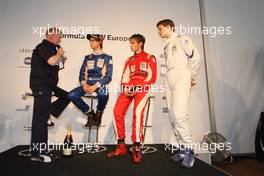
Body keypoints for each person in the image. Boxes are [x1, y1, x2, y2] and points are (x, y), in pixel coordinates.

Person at [156, 19, 200, 168]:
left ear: (169, 27)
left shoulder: (183, 39)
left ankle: (189, 151)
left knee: (180, 114)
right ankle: (182, 149)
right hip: (169, 77)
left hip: (182, 74)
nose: (159, 32)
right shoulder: (166, 44)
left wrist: (191, 77)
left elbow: (195, 58)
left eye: (161, 29)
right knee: (173, 115)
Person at [107, 34, 157, 163]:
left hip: (143, 87)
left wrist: (139, 86)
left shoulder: (150, 57)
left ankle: (136, 146)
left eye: (133, 43)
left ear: (140, 43)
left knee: (137, 114)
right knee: (116, 112)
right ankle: (121, 145)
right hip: (130, 87)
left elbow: (152, 77)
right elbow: (125, 76)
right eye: (130, 43)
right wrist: (126, 87)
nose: (131, 45)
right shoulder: (129, 59)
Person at [29, 27, 71, 162]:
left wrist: (60, 57)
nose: (61, 38)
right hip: (42, 85)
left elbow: (55, 63)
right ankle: (37, 153)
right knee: (40, 120)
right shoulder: (43, 46)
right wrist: (59, 53)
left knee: (68, 96)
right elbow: (52, 61)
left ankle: (50, 111)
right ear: (51, 36)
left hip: (49, 85)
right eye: (59, 36)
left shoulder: (51, 48)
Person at [68, 34, 113, 127]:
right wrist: (84, 84)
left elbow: (108, 77)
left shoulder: (107, 57)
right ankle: (90, 113)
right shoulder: (87, 57)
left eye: (93, 40)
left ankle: (99, 114)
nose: (90, 42)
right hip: (87, 84)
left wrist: (95, 86)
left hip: (100, 84)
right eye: (90, 40)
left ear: (100, 42)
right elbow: (82, 73)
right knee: (71, 95)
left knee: (104, 94)